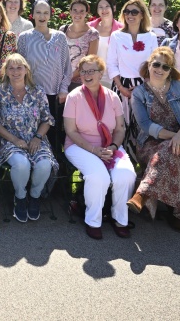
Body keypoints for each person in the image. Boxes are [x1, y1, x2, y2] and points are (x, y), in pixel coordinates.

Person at [128, 47, 180, 231]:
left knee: (174, 152)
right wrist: (177, 137)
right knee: (170, 150)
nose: (160, 69)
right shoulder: (139, 93)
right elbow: (145, 125)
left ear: (170, 71)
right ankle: (175, 213)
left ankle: (143, 194)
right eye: (156, 64)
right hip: (151, 142)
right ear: (149, 65)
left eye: (165, 67)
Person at [63, 55, 136, 240]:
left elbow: (120, 128)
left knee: (126, 175)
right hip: (79, 146)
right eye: (83, 71)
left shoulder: (113, 97)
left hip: (109, 145)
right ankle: (93, 221)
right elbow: (71, 131)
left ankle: (120, 219)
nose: (87, 75)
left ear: (101, 73)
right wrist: (93, 150)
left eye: (91, 71)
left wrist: (113, 147)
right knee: (98, 176)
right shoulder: (74, 97)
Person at [0, 54, 58, 223]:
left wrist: (37, 137)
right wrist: (15, 140)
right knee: (21, 164)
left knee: (44, 165)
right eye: (11, 68)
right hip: (7, 140)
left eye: (19, 68)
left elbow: (47, 119)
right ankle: (20, 197)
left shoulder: (38, 91)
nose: (15, 72)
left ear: (26, 70)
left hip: (35, 139)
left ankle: (34, 196)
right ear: (5, 72)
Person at [17, 0, 71, 153]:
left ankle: (56, 165)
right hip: (32, 94)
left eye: (46, 13)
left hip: (55, 95)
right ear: (32, 14)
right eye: (38, 12)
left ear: (50, 15)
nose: (42, 16)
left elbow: (67, 66)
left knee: (54, 136)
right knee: (33, 133)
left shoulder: (60, 37)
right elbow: (20, 67)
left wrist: (63, 89)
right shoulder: (25, 37)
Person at [107, 0, 159, 122]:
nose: (130, 15)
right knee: (122, 123)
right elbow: (111, 63)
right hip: (121, 84)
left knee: (142, 122)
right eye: (127, 12)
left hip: (145, 84)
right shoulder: (116, 36)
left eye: (134, 12)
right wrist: (121, 87)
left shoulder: (151, 36)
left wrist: (144, 86)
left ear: (142, 15)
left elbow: (155, 64)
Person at [60, 0, 99, 91]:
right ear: (70, 12)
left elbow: (89, 62)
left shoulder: (92, 34)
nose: (78, 14)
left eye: (82, 11)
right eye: (75, 10)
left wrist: (68, 78)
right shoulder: (62, 30)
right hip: (60, 80)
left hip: (80, 83)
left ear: (86, 13)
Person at [88, 0, 123, 88]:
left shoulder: (122, 29)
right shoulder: (89, 27)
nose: (104, 10)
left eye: (107, 6)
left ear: (114, 8)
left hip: (114, 78)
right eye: (100, 7)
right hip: (92, 76)